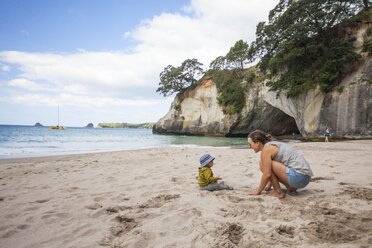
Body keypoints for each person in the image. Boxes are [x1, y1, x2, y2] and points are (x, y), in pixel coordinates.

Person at [247, 130, 313, 199]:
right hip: (305, 178)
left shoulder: (266, 149)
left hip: (299, 176)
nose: (249, 147)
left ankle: (278, 192)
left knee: (262, 163)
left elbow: (267, 174)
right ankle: (290, 187)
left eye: (250, 144)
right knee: (266, 164)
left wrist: (258, 191)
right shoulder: (272, 145)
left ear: (257, 143)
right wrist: (269, 186)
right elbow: (274, 169)